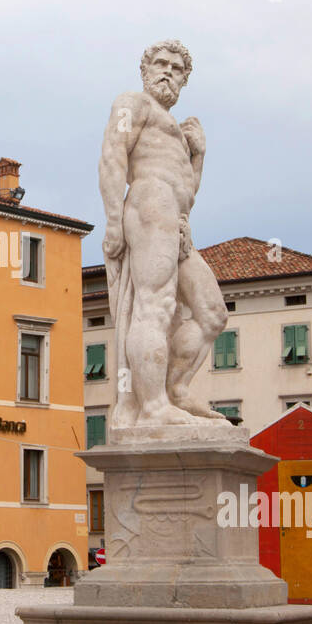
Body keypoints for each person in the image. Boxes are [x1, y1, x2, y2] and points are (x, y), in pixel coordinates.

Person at [99, 39, 227, 428]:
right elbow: (112, 156)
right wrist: (111, 221)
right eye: (161, 62)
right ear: (145, 70)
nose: (168, 70)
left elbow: (187, 191)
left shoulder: (178, 128)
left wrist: (199, 155)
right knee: (155, 304)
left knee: (212, 314)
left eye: (177, 67)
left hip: (178, 219)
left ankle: (176, 390)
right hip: (149, 202)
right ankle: (152, 406)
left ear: (185, 79)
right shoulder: (131, 104)